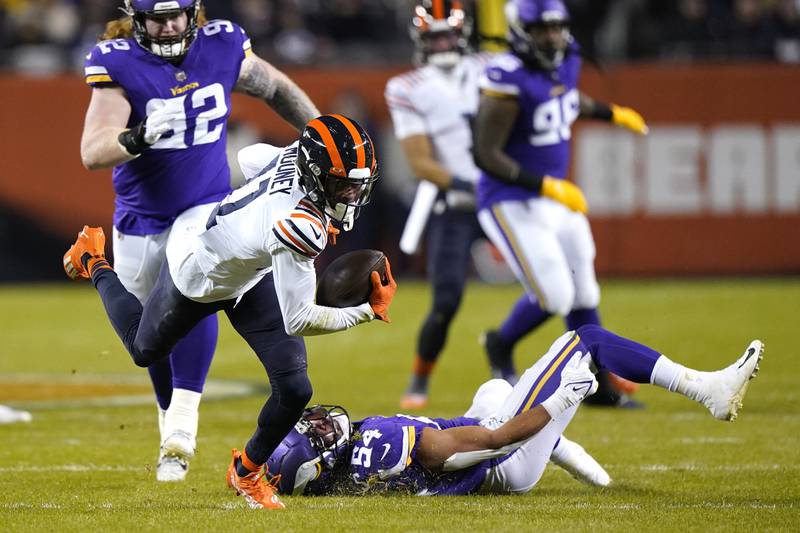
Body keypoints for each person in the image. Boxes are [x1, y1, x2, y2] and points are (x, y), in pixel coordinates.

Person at [64, 114, 397, 510]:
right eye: (343, 185)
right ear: (316, 173)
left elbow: (252, 158)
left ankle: (247, 472)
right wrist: (365, 310)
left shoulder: (293, 160)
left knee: (294, 389)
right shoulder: (299, 224)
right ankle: (94, 260)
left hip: (249, 275)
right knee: (143, 350)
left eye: (357, 185)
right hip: (199, 272)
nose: (351, 195)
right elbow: (300, 319)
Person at [79, 0, 320, 481]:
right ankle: (169, 419)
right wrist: (137, 136)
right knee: (151, 337)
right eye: (156, 17)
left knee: (200, 291)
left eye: (177, 13)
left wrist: (321, 131)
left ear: (195, 13)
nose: (168, 24)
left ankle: (181, 429)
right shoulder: (117, 59)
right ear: (137, 19)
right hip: (139, 220)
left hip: (204, 207)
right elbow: (92, 151)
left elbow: (275, 88)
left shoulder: (222, 44)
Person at [265, 328, 763, 496]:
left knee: (491, 388)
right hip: (506, 455)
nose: (321, 420)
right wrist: (560, 402)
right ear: (320, 461)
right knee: (584, 340)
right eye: (318, 433)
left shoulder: (340, 476)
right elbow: (492, 443)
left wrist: (257, 468)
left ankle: (564, 450)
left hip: (493, 450)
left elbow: (276, 469)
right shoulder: (383, 448)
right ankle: (706, 390)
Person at [386, 0, 584, 410]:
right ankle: (420, 378)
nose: (442, 43)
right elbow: (421, 162)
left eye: (448, 34)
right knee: (445, 301)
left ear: (462, 32)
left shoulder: (492, 64)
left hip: (507, 197)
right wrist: (473, 185)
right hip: (456, 202)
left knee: (559, 279)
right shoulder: (406, 87)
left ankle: (584, 362)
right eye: (434, 35)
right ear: (421, 38)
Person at [472, 0, 649, 405]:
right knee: (555, 296)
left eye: (556, 27)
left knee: (585, 294)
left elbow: (565, 102)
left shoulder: (567, 58)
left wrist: (609, 113)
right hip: (511, 199)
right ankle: (500, 342)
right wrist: (547, 186)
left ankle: (598, 385)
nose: (551, 36)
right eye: (541, 29)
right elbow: (486, 154)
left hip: (554, 198)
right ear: (521, 31)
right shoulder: (507, 77)